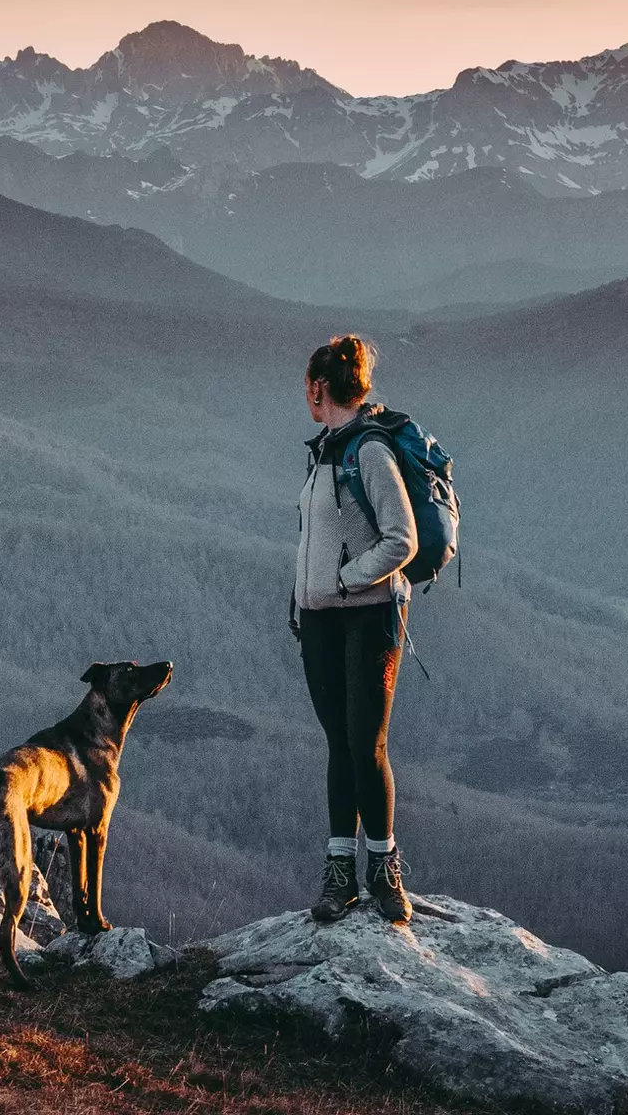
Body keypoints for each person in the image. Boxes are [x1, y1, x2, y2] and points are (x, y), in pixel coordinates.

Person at [293, 333, 417, 924]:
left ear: (319, 388)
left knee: (367, 746)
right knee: (340, 745)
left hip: (368, 619)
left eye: (307, 387)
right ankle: (340, 873)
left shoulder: (368, 450)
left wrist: (346, 581)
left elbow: (403, 537)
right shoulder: (324, 448)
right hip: (320, 621)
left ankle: (383, 870)